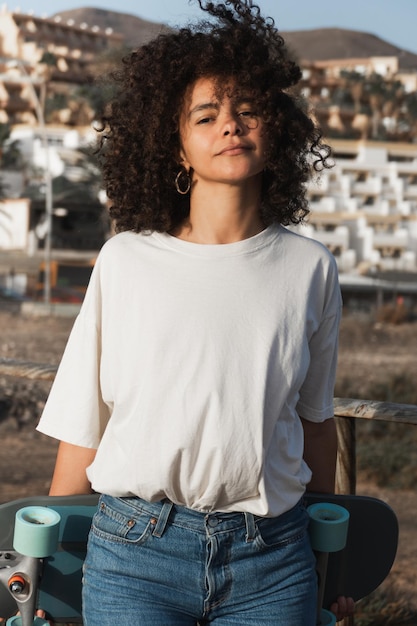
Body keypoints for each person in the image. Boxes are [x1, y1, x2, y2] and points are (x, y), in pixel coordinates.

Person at [34, 1, 354, 624]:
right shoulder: (124, 260)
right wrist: (45, 565)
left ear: (276, 130)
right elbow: (84, 424)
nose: (230, 125)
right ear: (176, 147)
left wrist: (332, 564)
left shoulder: (312, 268)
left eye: (248, 110)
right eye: (206, 116)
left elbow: (315, 424)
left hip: (275, 557)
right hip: (133, 556)